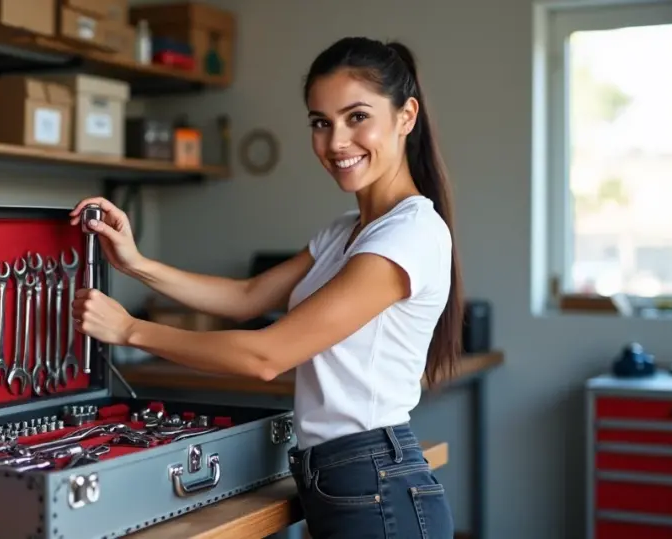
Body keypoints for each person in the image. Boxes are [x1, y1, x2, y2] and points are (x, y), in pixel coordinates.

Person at [69, 36, 461, 539]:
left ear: (406, 116)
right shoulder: (346, 229)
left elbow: (267, 356)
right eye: (321, 123)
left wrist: (129, 330)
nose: (337, 141)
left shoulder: (409, 233)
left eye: (356, 117)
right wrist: (138, 264)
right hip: (343, 475)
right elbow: (247, 296)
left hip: (374, 479)